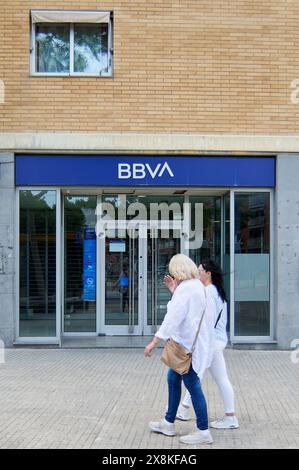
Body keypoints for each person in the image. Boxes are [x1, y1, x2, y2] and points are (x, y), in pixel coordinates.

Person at [144, 254, 215, 445]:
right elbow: (190, 314)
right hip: (192, 346)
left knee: (193, 387)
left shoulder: (186, 289)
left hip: (185, 349)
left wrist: (154, 341)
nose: (172, 275)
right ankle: (168, 422)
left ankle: (203, 431)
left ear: (178, 270)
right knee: (173, 379)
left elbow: (173, 318)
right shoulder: (198, 286)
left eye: (173, 271)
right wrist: (174, 291)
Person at [165, 259, 239, 429]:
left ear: (208, 273)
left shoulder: (209, 292)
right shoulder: (213, 290)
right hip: (216, 341)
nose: (197, 273)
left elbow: (202, 319)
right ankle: (229, 416)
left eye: (200, 271)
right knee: (212, 378)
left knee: (194, 376)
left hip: (211, 342)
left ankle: (185, 411)